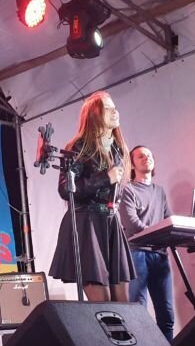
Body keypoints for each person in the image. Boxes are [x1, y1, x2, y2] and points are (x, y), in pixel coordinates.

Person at [48, 91, 134, 302]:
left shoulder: (117, 148)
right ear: (95, 114)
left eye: (115, 108)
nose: (115, 112)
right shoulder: (79, 146)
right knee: (103, 304)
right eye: (108, 108)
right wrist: (105, 178)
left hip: (110, 223)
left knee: (123, 303)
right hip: (87, 225)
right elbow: (66, 189)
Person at [119, 146, 175, 340]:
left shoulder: (159, 191)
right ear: (132, 164)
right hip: (138, 253)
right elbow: (132, 223)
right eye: (141, 156)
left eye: (149, 155)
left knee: (166, 313)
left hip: (160, 255)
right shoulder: (128, 189)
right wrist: (159, 234)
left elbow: (168, 219)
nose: (146, 158)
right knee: (138, 310)